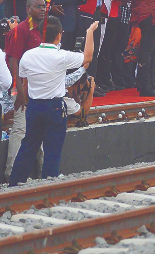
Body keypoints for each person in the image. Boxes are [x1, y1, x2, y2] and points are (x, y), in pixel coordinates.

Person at [8, 16, 99, 186]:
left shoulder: (27, 56)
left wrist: (29, 104)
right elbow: (88, 57)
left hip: (34, 106)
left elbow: (25, 84)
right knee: (53, 150)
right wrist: (89, 32)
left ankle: (14, 184)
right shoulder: (61, 56)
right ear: (59, 35)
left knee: (28, 146)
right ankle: (49, 185)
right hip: (54, 107)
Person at [4, 0, 51, 180]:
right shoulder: (21, 30)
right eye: (38, 6)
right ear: (28, 9)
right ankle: (11, 172)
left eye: (44, 6)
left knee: (38, 129)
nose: (42, 9)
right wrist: (19, 91)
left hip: (40, 88)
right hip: (24, 88)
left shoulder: (43, 29)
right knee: (20, 128)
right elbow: (12, 61)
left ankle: (44, 171)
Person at [105, 0, 139, 91]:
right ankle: (120, 79)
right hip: (123, 18)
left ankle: (130, 78)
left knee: (133, 50)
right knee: (121, 50)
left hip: (136, 17)